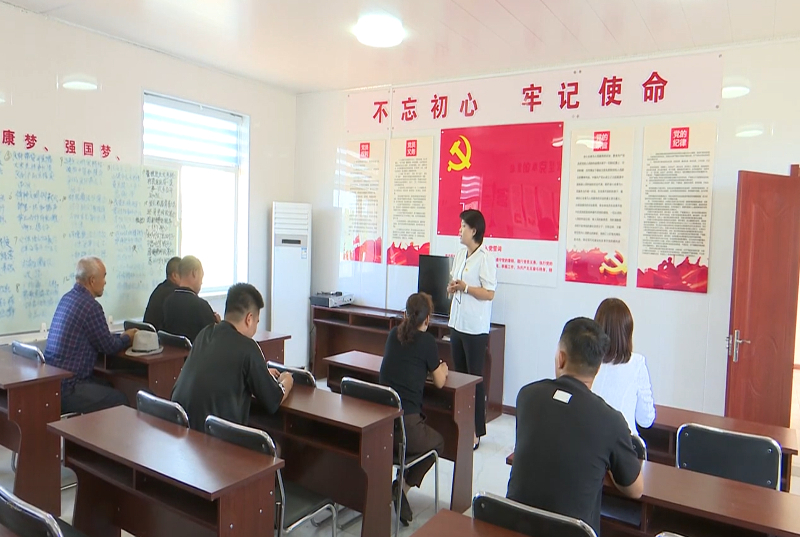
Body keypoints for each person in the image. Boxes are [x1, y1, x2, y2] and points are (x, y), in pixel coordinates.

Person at [507, 317, 643, 536]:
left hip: (514, 528)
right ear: (597, 368)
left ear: (561, 358)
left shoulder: (527, 396)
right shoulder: (611, 421)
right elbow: (635, 490)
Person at [171, 282, 294, 431]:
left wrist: (261, 373)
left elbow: (220, 370)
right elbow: (273, 400)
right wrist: (286, 380)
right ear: (249, 319)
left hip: (181, 428)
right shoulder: (248, 347)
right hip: (214, 437)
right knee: (275, 443)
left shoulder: (205, 333)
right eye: (256, 322)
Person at [379, 293, 449, 526]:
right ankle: (402, 487)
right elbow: (440, 382)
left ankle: (398, 486)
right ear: (427, 319)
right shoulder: (427, 342)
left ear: (405, 314)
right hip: (406, 430)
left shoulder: (393, 335)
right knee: (438, 442)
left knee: (415, 434)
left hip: (381, 429)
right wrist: (443, 368)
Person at [44, 257, 137, 414]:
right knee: (120, 399)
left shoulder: (67, 298)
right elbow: (109, 346)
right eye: (104, 277)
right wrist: (128, 337)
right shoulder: (91, 306)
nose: (105, 282)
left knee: (107, 386)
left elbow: (100, 338)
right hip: (70, 387)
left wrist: (118, 337)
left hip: (54, 382)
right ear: (92, 280)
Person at [446, 209, 497, 449]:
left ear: (474, 230)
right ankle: (461, 425)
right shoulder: (460, 254)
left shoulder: (486, 258)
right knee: (459, 377)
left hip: (475, 328)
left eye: (463, 227)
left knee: (474, 379)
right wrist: (452, 287)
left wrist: (465, 288)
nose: (459, 230)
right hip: (457, 323)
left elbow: (489, 293)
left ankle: (476, 430)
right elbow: (454, 282)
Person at [591, 298, 656, 435]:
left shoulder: (587, 360)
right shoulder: (637, 363)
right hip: (624, 443)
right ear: (628, 331)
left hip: (591, 442)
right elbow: (646, 420)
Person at [162, 255, 220, 343]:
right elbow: (215, 342)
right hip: (196, 352)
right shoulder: (201, 306)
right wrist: (219, 325)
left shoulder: (167, 302)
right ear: (194, 273)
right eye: (201, 277)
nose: (202, 282)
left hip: (173, 352)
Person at [142, 256, 181, 331]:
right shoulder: (174, 294)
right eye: (183, 274)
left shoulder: (160, 288)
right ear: (175, 275)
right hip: (157, 337)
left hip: (149, 335)